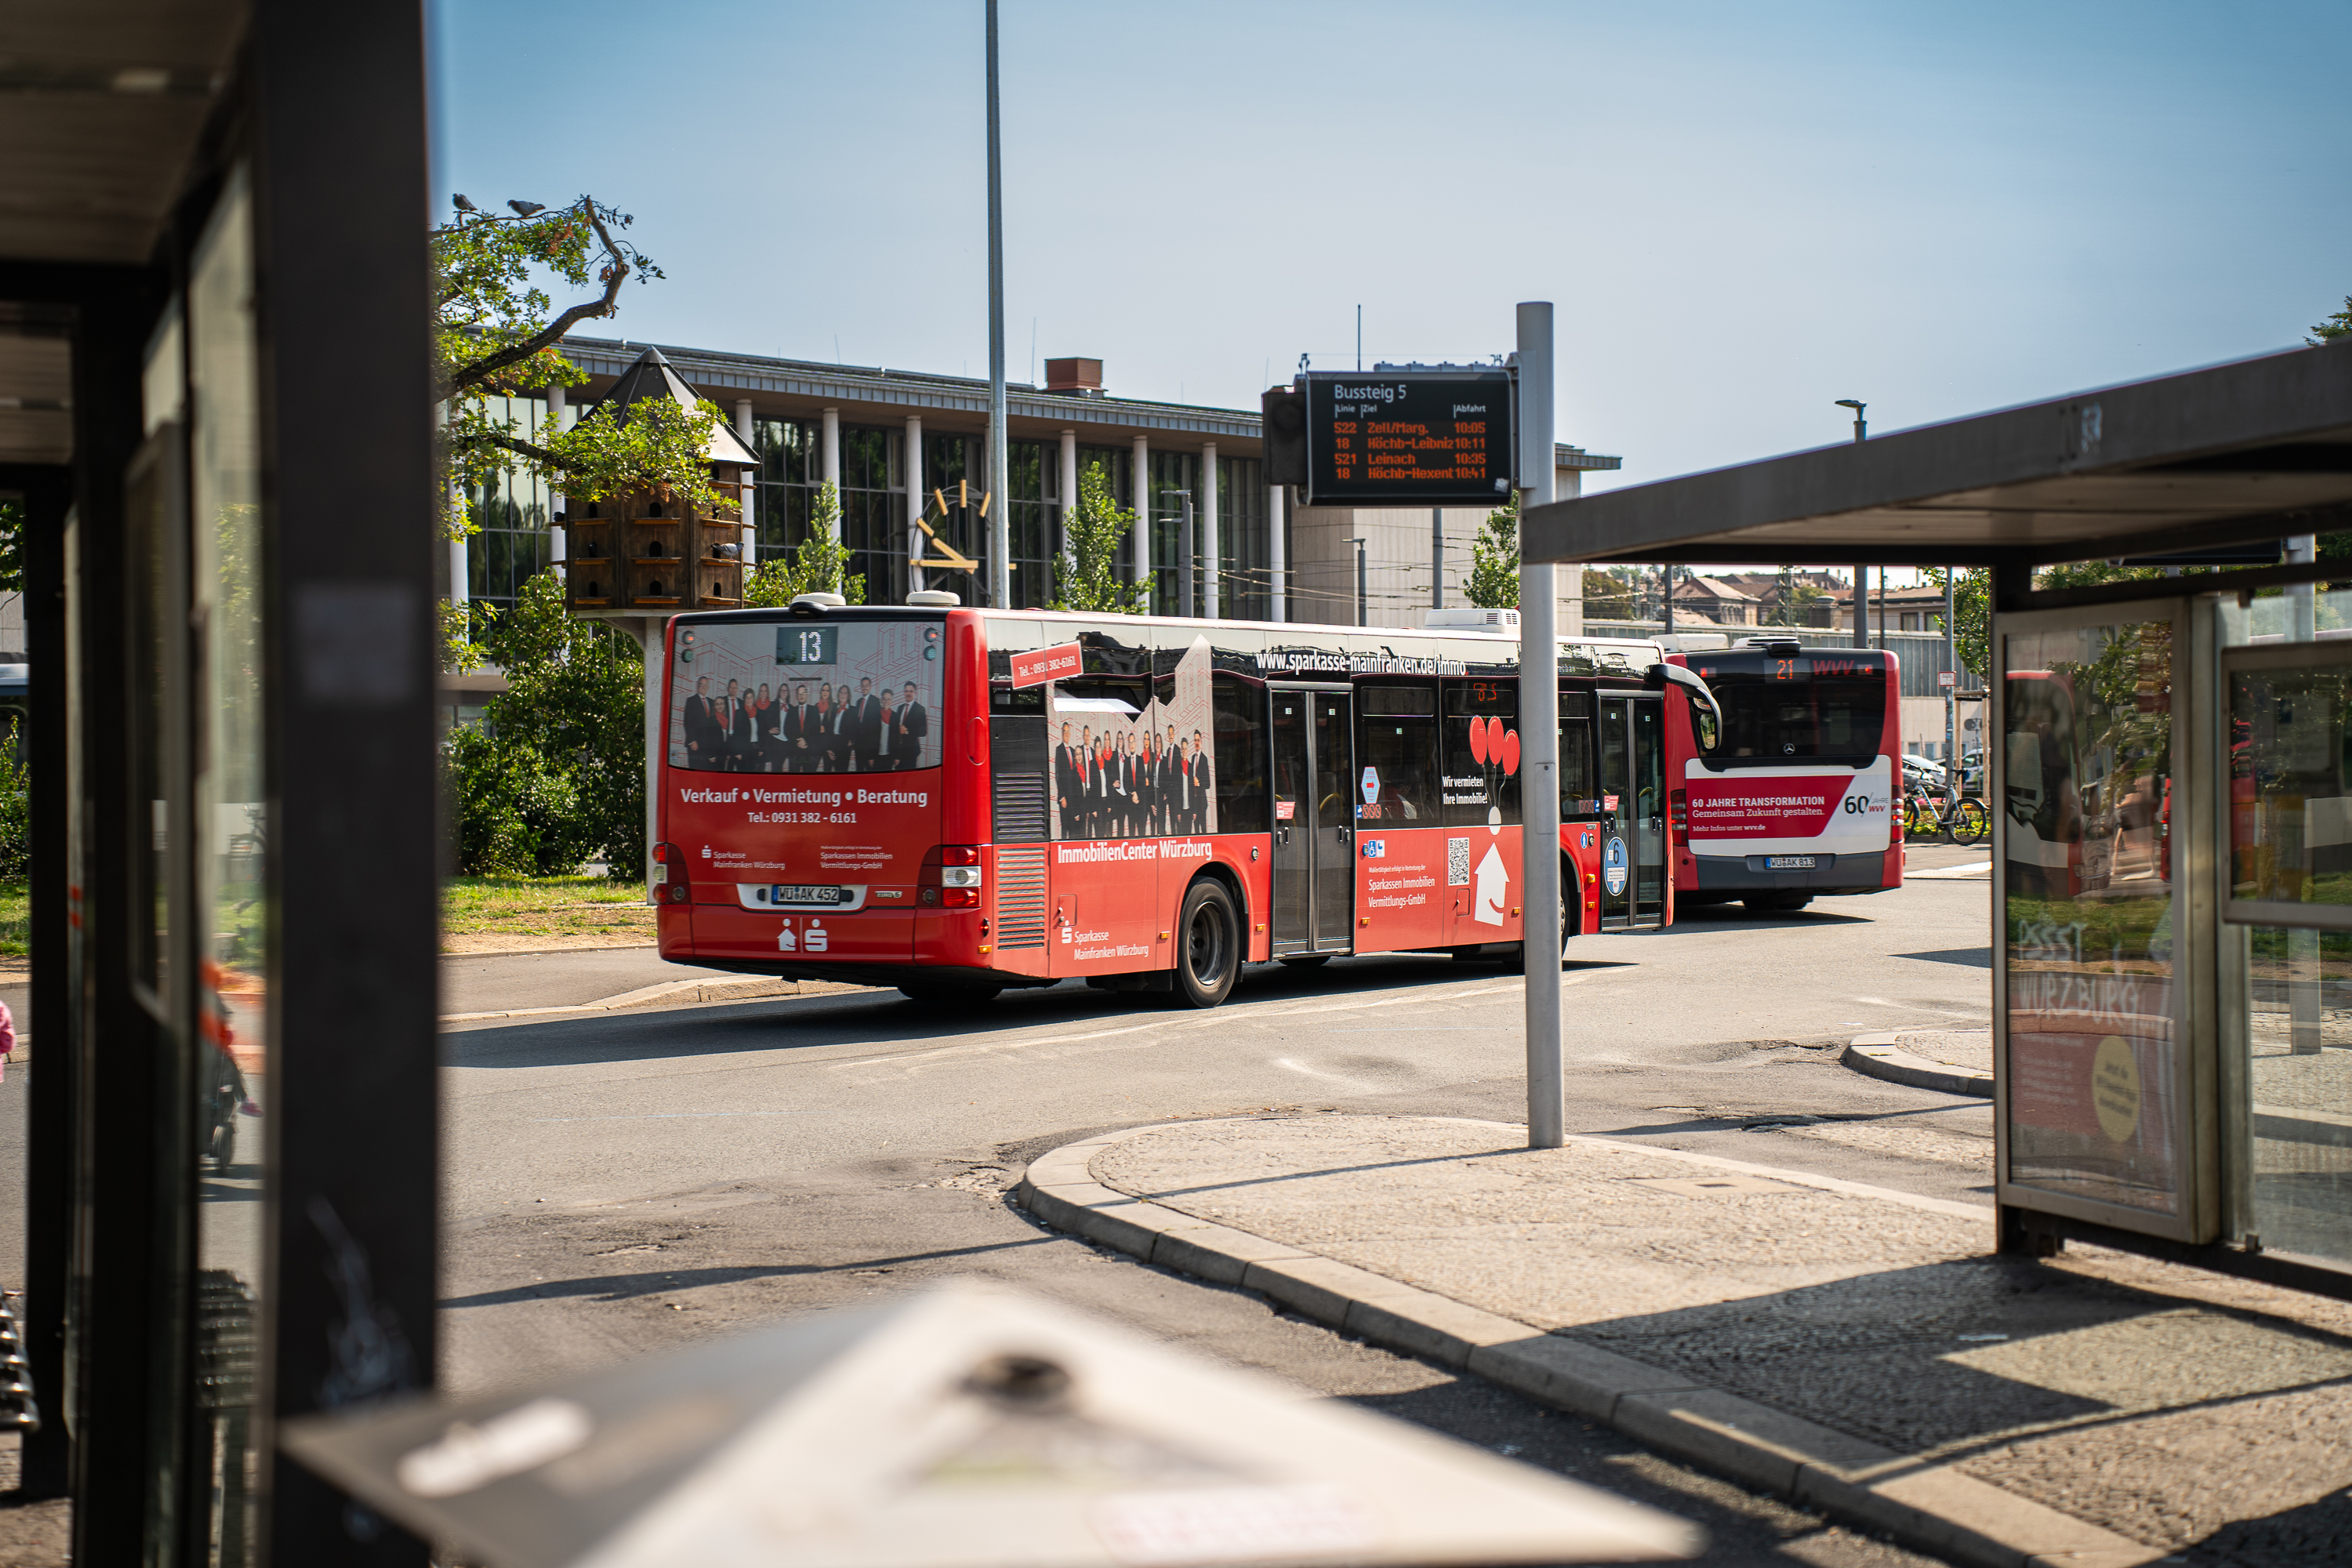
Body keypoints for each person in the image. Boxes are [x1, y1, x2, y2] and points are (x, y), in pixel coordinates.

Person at [848, 677, 884, 772]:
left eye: (867, 685)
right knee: (859, 772)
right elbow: (856, 725)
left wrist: (872, 754)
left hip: (870, 748)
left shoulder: (875, 701)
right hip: (859, 747)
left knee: (870, 774)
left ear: (870, 687)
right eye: (862, 685)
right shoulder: (858, 702)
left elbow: (877, 729)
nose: (864, 687)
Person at [890, 681, 927, 770]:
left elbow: (923, 731)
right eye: (906, 691)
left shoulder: (920, 709)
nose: (908, 693)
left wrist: (907, 731)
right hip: (899, 752)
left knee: (909, 779)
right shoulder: (900, 708)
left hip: (911, 751)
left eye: (911, 691)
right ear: (904, 693)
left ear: (915, 693)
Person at [683, 675, 716, 768]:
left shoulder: (712, 702)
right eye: (702, 684)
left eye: (706, 685)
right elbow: (687, 722)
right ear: (697, 685)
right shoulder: (691, 700)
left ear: (708, 687)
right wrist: (692, 741)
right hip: (695, 744)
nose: (704, 687)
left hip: (708, 746)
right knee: (695, 771)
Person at [1054, 720, 1080, 837]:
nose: (1067, 734)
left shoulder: (1074, 751)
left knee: (1073, 828)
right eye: (1065, 732)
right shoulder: (1059, 750)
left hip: (1073, 797)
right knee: (1065, 828)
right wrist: (1062, 796)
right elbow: (1058, 774)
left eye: (1068, 732)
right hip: (1064, 798)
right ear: (1062, 733)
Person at [783, 682, 815, 772]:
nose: (801, 696)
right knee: (793, 781)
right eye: (799, 693)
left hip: (809, 751)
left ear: (807, 695)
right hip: (794, 752)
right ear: (796, 696)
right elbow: (786, 730)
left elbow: (816, 730)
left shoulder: (814, 710)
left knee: (808, 781)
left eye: (803, 693)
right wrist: (797, 742)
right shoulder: (791, 711)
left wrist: (806, 741)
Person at [1190, 728, 1216, 833]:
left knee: (1203, 830)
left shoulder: (1204, 759)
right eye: (1195, 740)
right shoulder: (1192, 758)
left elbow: (1208, 784)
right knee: (1196, 830)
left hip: (1201, 801)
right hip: (1194, 801)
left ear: (1201, 742)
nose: (1196, 742)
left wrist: (1199, 783)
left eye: (1198, 740)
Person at [811, 685, 839, 771]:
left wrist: (829, 747)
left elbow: (833, 729)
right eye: (823, 690)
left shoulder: (834, 706)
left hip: (828, 745)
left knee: (827, 771)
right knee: (811, 769)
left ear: (830, 693)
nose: (825, 692)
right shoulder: (815, 707)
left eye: (827, 690)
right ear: (820, 692)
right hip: (817, 744)